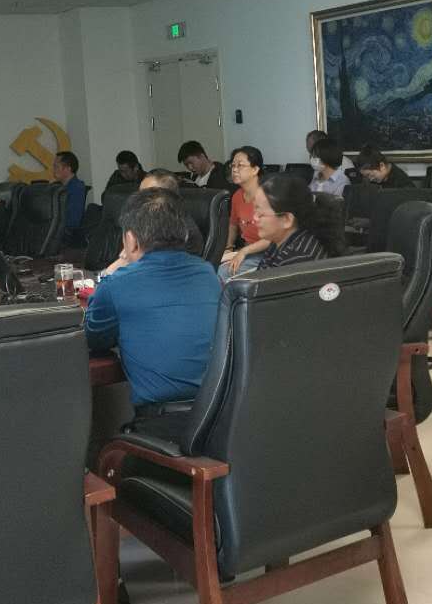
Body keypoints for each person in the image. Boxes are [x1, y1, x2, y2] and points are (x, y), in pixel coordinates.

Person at [84, 189, 221, 409]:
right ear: (185, 234)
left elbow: (93, 339)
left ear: (131, 240)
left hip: (164, 420)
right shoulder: (208, 274)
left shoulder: (116, 285)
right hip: (221, 412)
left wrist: (111, 273)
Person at [100, 170, 204, 272]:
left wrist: (126, 261)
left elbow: (159, 271)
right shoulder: (142, 222)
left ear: (166, 199)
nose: (138, 200)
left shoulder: (185, 235)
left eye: (146, 196)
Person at [255, 172, 347, 269]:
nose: (255, 218)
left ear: (287, 219)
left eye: (261, 214)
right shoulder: (280, 240)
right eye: (255, 209)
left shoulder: (296, 259)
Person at [220, 145, 269, 279]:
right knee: (209, 265)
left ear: (255, 169)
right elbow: (233, 224)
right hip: (248, 251)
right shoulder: (237, 196)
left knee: (223, 273)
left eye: (240, 165)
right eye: (233, 165)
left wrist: (243, 251)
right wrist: (228, 248)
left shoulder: (268, 195)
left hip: (268, 254)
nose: (234, 169)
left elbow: (274, 238)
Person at [53, 149, 88, 246]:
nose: (53, 170)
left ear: (67, 169)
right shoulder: (57, 187)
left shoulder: (77, 188)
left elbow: (73, 221)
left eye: (56, 166)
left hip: (67, 237)